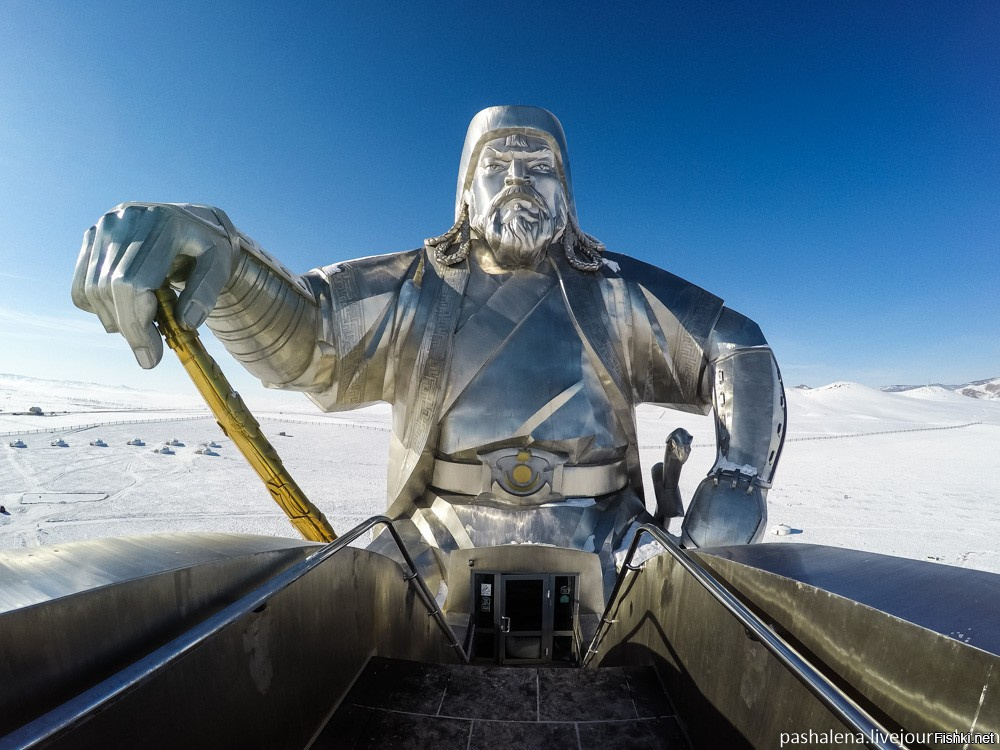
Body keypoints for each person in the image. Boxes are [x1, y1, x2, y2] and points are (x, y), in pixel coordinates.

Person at [72, 106, 785, 582]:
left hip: (609, 537)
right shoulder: (416, 288)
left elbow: (736, 346)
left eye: (540, 164)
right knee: (324, 621)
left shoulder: (617, 292)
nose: (518, 178)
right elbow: (309, 336)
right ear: (465, 192)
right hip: (434, 538)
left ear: (568, 192)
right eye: (498, 162)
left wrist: (740, 478)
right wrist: (221, 255)